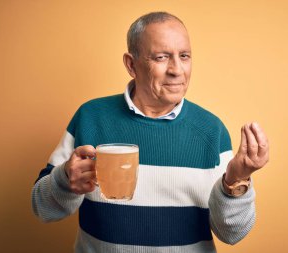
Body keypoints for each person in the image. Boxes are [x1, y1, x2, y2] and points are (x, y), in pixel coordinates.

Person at [32, 11, 269, 253]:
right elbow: (42, 209)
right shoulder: (90, 117)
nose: (177, 70)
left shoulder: (211, 130)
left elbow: (233, 234)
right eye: (162, 57)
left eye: (184, 56)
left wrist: (236, 180)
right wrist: (63, 181)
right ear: (131, 64)